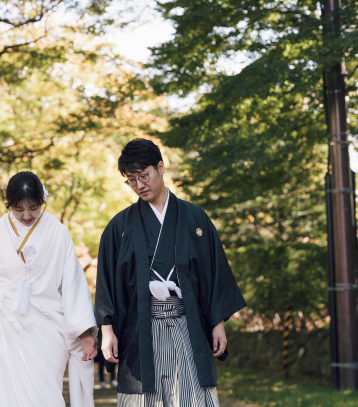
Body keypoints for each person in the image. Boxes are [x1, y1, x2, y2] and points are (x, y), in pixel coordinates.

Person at [95, 139, 247, 407]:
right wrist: (107, 330)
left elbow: (213, 271)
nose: (139, 185)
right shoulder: (119, 226)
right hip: (140, 331)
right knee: (145, 398)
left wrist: (218, 322)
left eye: (144, 176)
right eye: (131, 180)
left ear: (161, 167)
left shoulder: (195, 218)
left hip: (188, 327)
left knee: (191, 397)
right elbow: (106, 280)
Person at [0, 171, 99, 407]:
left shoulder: (57, 232)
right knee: (7, 397)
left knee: (45, 396)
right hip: (6, 329)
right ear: (9, 205)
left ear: (42, 201)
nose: (27, 215)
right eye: (19, 209)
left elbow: (73, 282)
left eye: (33, 208)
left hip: (47, 328)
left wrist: (85, 332)